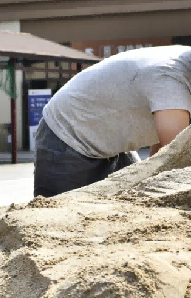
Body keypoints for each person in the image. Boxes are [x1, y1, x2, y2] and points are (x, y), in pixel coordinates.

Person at [34, 45, 191, 197]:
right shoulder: (169, 78)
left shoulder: (181, 67)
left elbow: (162, 155)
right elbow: (177, 154)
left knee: (137, 201)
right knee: (64, 208)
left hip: (113, 140)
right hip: (69, 135)